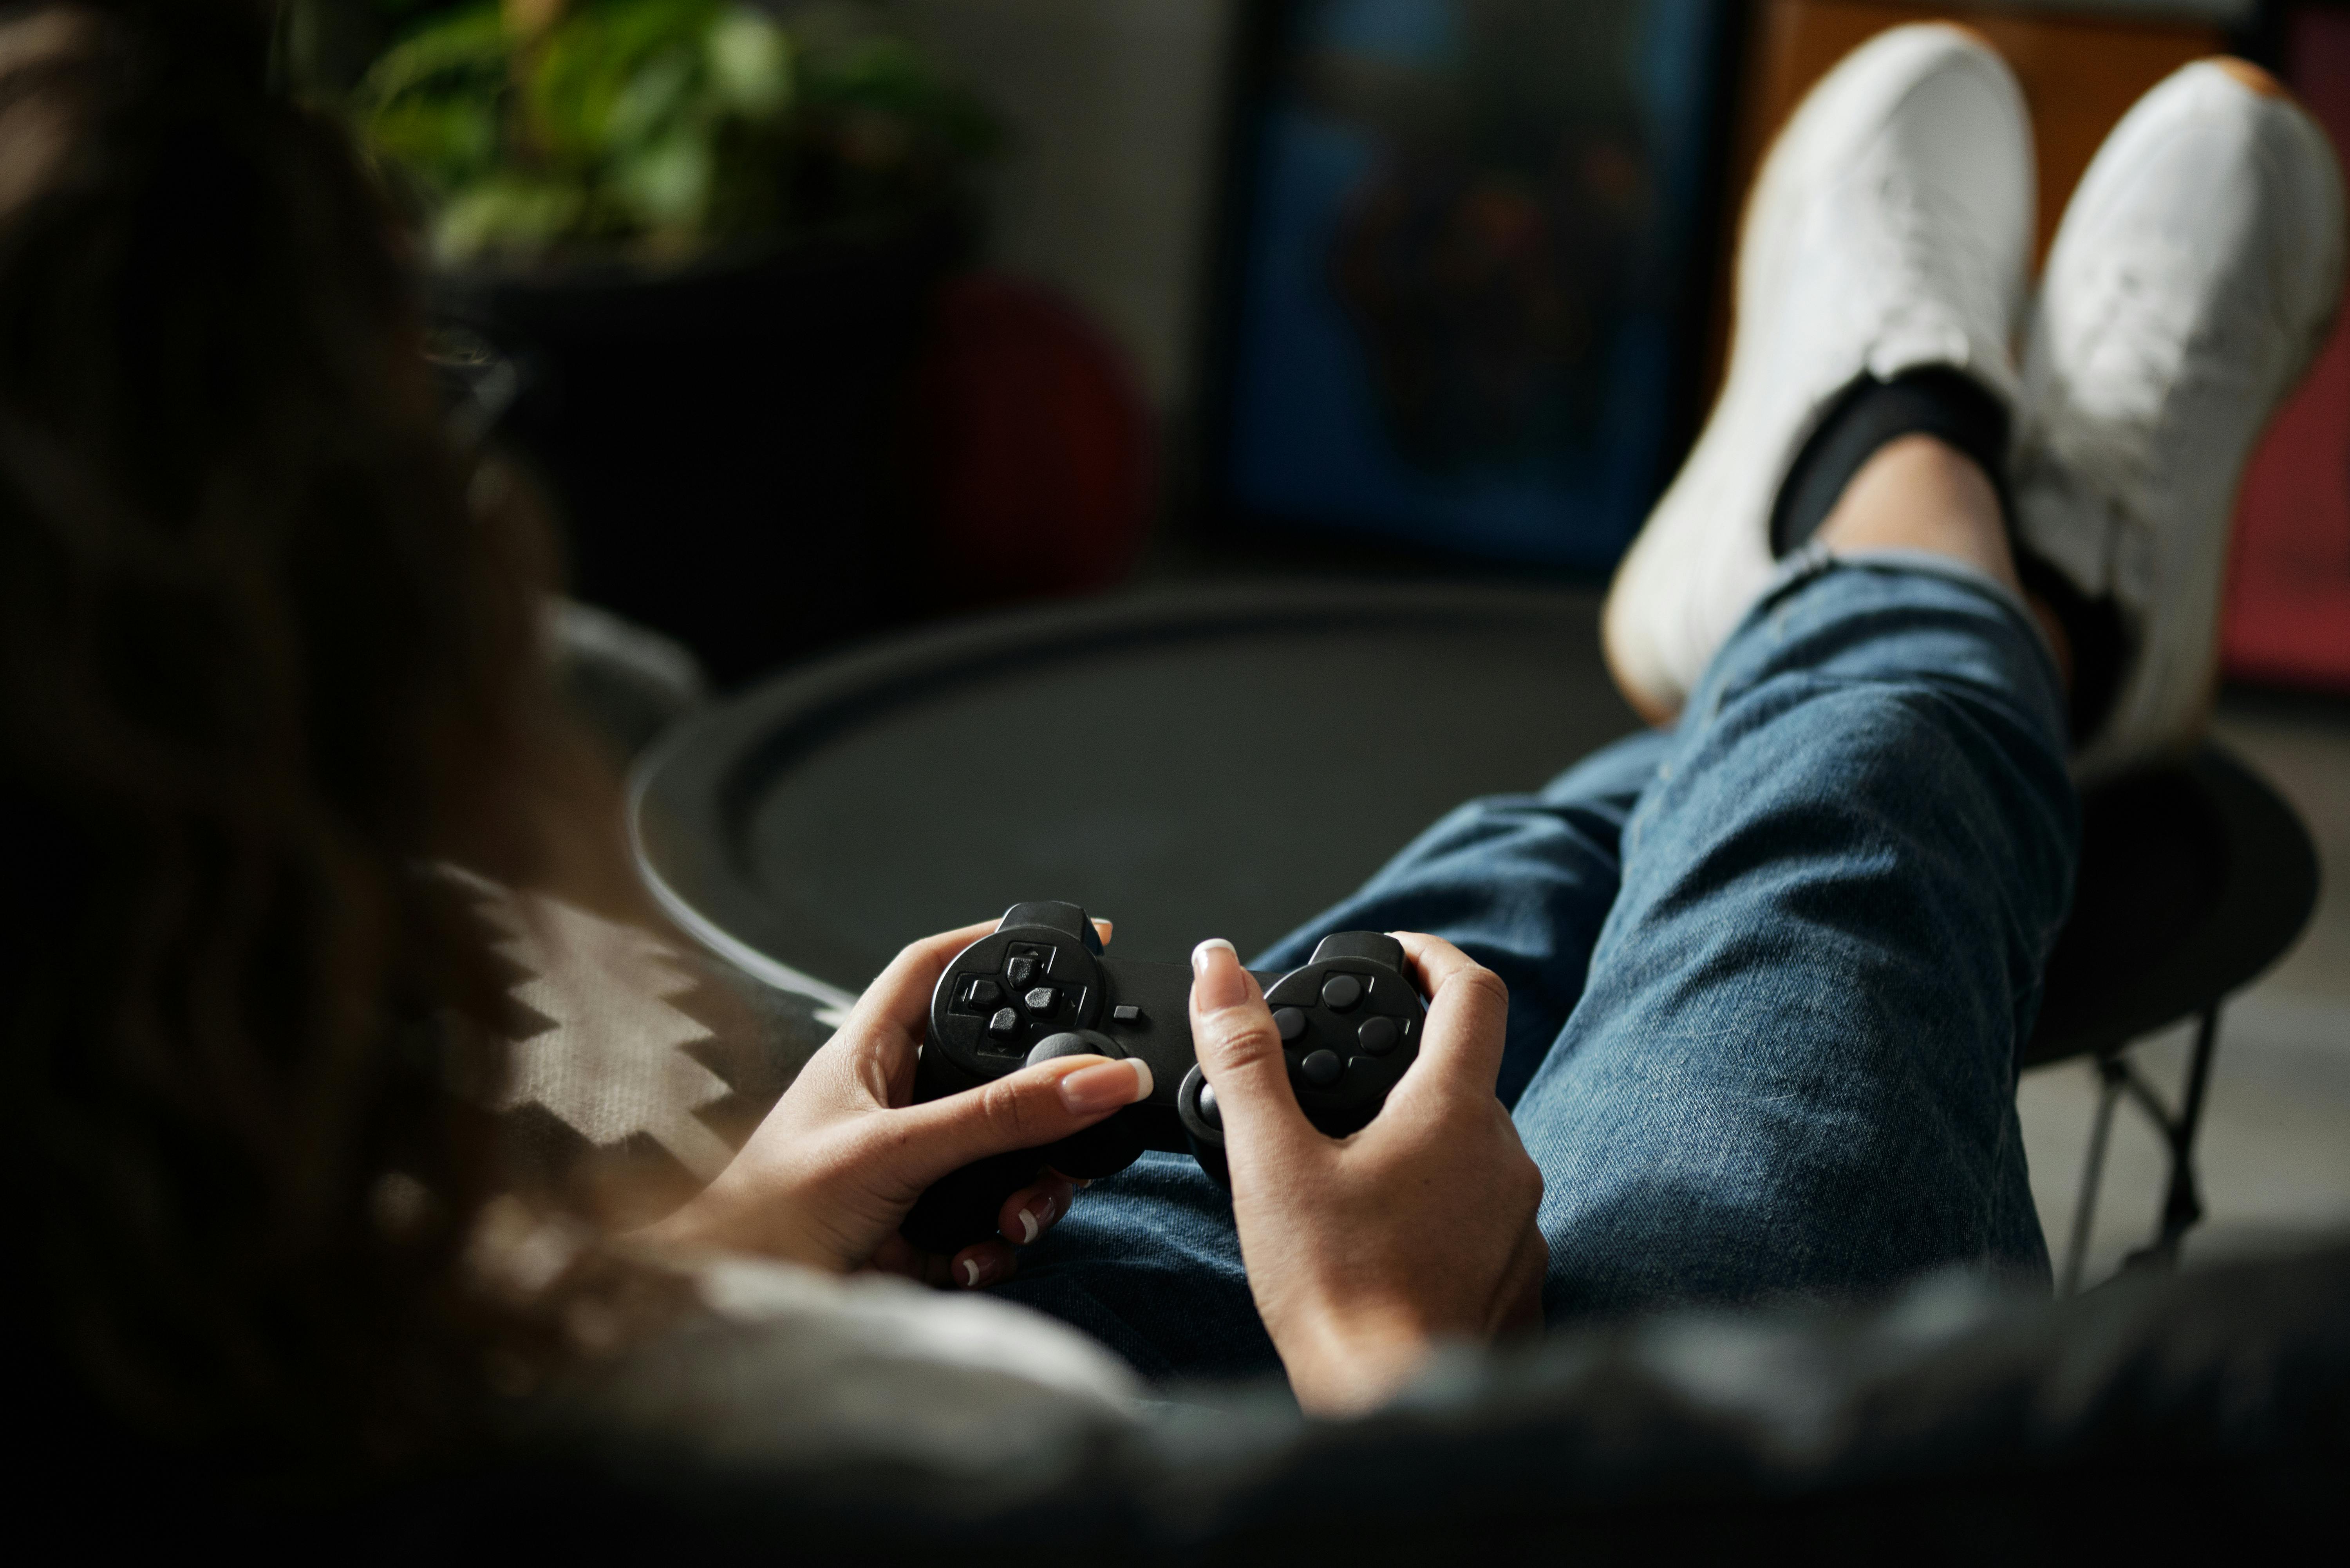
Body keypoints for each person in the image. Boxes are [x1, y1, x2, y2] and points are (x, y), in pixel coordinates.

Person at [4, 2, 2342, 1539]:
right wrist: (1394, 1367)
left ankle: (1926, 574)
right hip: (1362, 1463)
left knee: (1491, 915)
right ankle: (1955, 525)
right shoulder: (905, 1469)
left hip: (856, 1355)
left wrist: (705, 1256)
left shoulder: (226, 1327)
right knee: (1813, 889)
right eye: (455, 438)